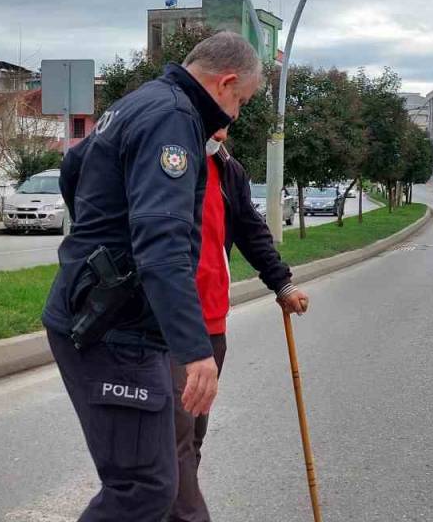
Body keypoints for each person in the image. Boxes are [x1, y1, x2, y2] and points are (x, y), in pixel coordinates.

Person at [42, 31, 264, 521]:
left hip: (112, 316)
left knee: (157, 482)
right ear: (226, 83)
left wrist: (99, 238)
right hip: (114, 329)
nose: (237, 114)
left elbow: (73, 167)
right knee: (140, 489)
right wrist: (196, 351)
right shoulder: (174, 119)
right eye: (241, 101)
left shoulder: (137, 102)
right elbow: (162, 248)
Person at [169, 129, 309, 522]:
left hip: (212, 325)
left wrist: (281, 282)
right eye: (219, 112)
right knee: (173, 442)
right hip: (168, 324)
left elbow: (249, 229)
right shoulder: (169, 164)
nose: (222, 130)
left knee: (192, 438)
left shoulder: (228, 170)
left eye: (231, 117)